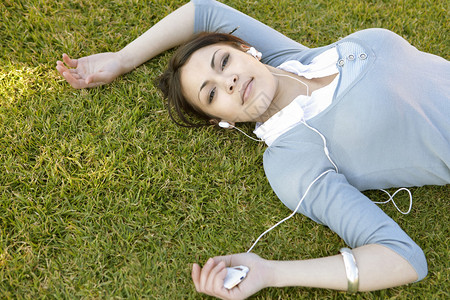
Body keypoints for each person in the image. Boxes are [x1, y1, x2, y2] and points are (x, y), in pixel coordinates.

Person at [56, 0, 450, 299]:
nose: (227, 81)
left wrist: (123, 58)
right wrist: (271, 273)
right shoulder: (293, 161)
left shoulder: (297, 60)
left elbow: (204, 11)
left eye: (223, 61)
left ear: (247, 48)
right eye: (211, 93)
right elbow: (402, 259)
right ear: (221, 120)